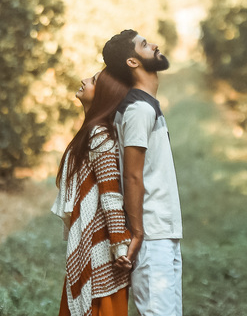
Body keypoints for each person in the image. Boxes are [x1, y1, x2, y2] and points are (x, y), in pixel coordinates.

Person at [101, 29, 183, 316]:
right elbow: (132, 176)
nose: (154, 45)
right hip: (151, 234)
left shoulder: (146, 105)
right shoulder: (138, 110)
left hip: (163, 232)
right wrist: (137, 233)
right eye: (145, 45)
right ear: (132, 62)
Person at [52, 69, 133, 316]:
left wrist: (120, 248)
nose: (84, 80)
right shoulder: (92, 131)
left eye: (93, 81)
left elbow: (111, 195)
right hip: (90, 244)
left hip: (100, 250)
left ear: (104, 95)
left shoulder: (101, 136)